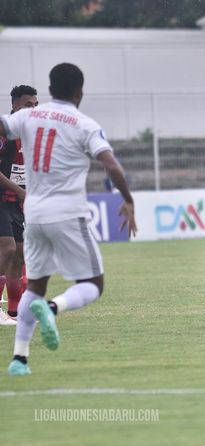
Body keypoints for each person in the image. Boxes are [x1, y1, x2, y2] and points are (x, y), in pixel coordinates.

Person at [0, 63, 137, 376]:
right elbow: (111, 164)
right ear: (80, 92)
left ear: (49, 90)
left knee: (34, 284)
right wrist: (127, 199)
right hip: (67, 213)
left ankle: (19, 360)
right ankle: (52, 308)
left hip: (32, 213)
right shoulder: (84, 123)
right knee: (93, 283)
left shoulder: (28, 115)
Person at [0, 85, 38, 326]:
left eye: (35, 105)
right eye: (27, 105)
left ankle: (14, 313)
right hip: (2, 199)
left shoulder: (35, 134)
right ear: (14, 106)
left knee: (20, 255)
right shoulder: (4, 132)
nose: (32, 110)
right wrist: (20, 191)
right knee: (7, 248)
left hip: (18, 203)